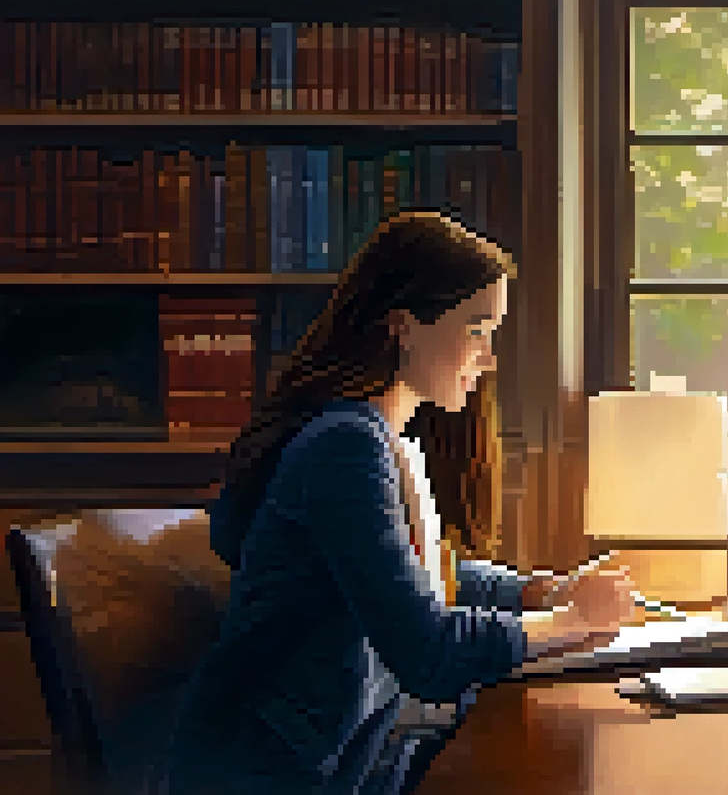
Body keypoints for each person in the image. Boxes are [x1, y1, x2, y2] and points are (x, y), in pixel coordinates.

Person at [160, 211, 644, 795]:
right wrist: (573, 621)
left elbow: (423, 576)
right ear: (403, 327)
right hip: (275, 776)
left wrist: (540, 590)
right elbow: (428, 652)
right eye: (476, 328)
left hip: (345, 760)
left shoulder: (383, 437)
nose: (489, 357)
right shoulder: (346, 445)